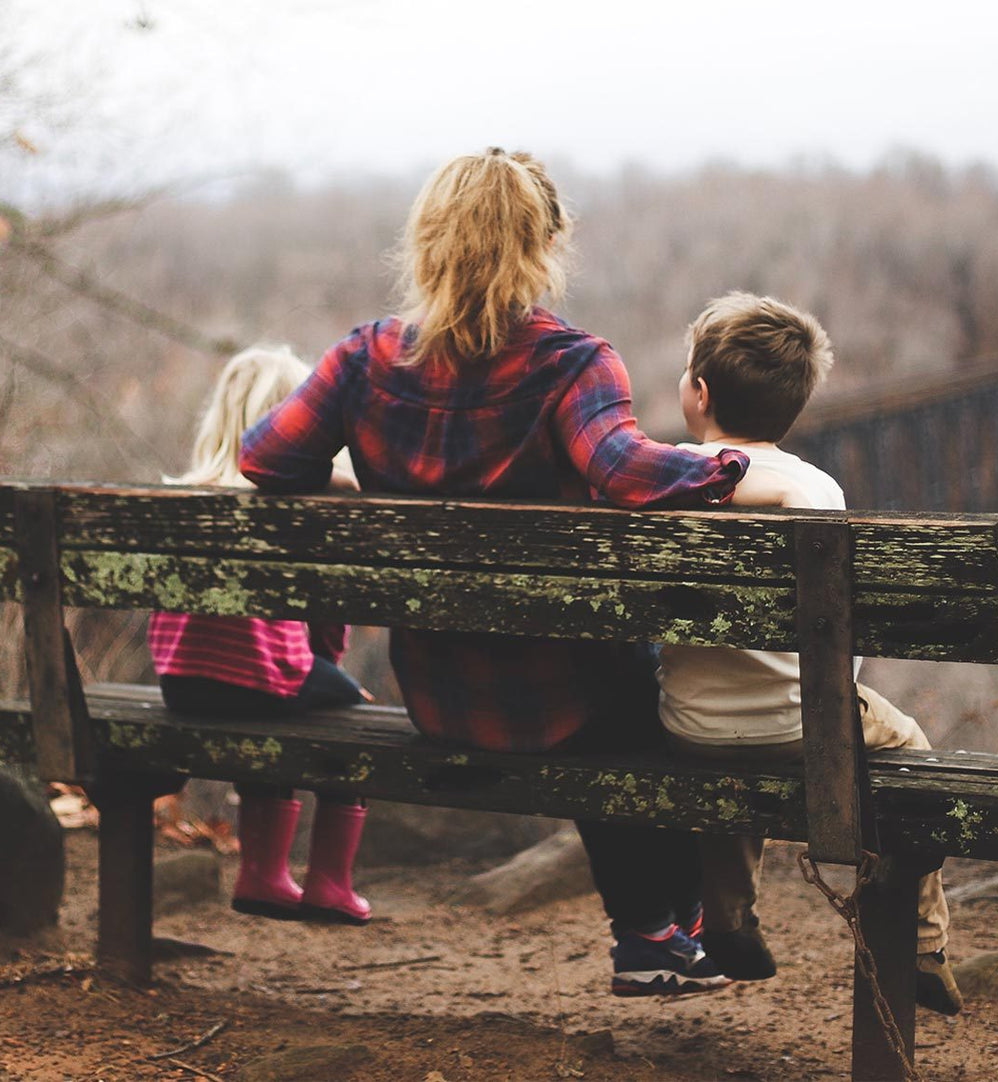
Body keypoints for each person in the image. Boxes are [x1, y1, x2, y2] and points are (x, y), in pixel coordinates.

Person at [241, 148, 754, 996]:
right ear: (546, 244)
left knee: (616, 688)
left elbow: (263, 459)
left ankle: (663, 934)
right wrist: (731, 466)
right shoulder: (572, 363)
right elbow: (625, 472)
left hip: (440, 696)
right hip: (567, 701)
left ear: (427, 242)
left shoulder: (362, 359)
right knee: (643, 692)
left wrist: (347, 481)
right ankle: (662, 929)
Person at [658, 291, 964, 1015]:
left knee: (731, 743)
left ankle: (728, 919)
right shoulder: (816, 490)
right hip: (806, 725)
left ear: (698, 393)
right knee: (909, 747)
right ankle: (922, 942)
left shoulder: (663, 478)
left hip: (689, 726)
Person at [149, 345, 374, 926]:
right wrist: (328, 668)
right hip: (259, 680)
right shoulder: (294, 503)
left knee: (275, 696)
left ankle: (263, 875)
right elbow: (325, 618)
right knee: (352, 713)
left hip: (181, 684)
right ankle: (327, 883)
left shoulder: (182, 496)